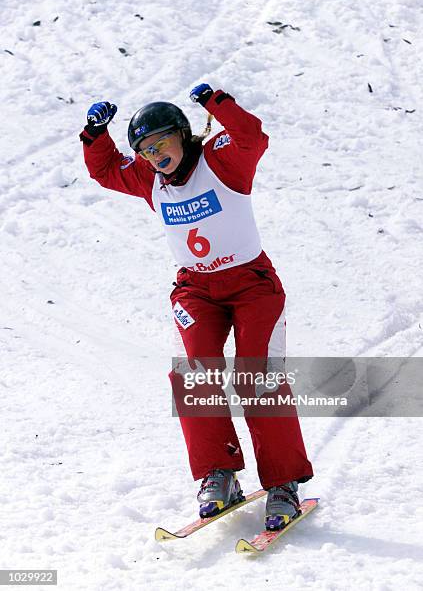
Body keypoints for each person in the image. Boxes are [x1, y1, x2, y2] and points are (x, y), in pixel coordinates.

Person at [80, 84, 313, 530]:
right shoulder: (151, 179)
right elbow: (107, 170)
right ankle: (218, 473)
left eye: (160, 143)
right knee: (192, 373)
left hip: (252, 286)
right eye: (145, 150)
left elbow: (253, 136)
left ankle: (283, 483)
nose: (154, 156)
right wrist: (95, 134)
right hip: (196, 290)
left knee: (255, 376)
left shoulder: (222, 161)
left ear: (182, 135)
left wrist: (214, 100)